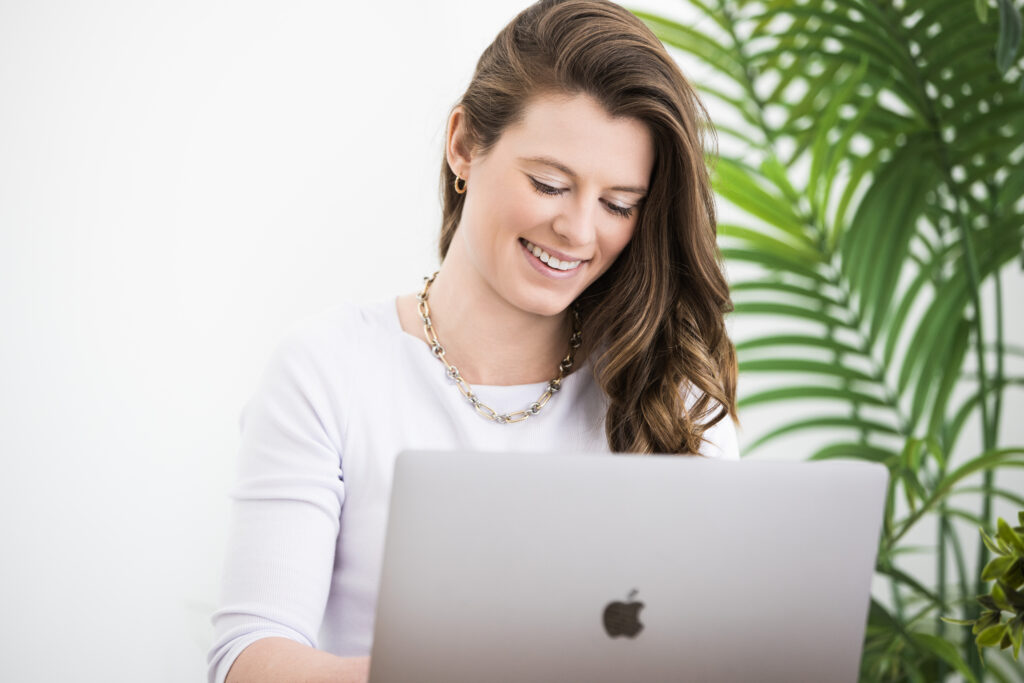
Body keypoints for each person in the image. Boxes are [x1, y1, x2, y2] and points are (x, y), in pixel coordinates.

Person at [207, 0, 740, 681]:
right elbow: (248, 656)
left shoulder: (670, 387)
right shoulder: (328, 370)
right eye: (550, 184)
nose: (579, 230)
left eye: (618, 204)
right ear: (463, 144)